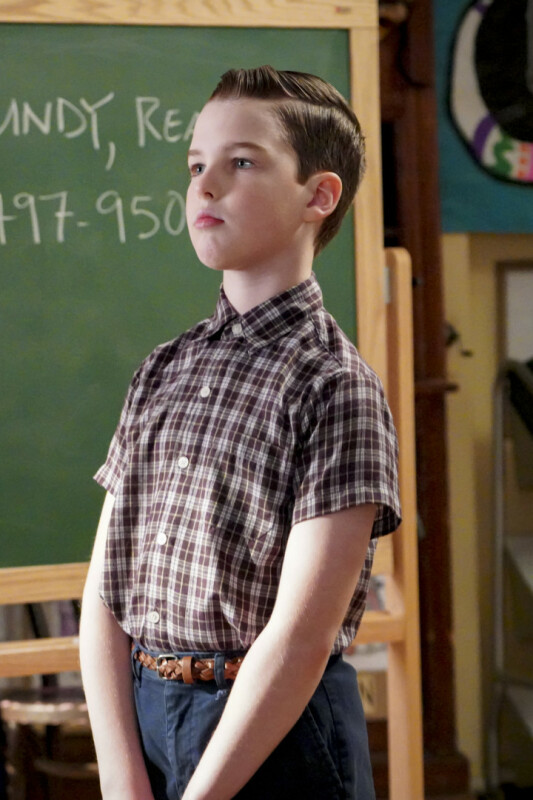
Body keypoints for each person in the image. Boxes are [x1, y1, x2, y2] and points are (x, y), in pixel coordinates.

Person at [80, 65, 401, 800]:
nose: (206, 187)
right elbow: (104, 591)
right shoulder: (163, 369)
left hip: (272, 734)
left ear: (318, 196)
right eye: (197, 166)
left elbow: (299, 639)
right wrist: (121, 775)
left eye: (242, 163)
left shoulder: (334, 385)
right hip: (145, 715)